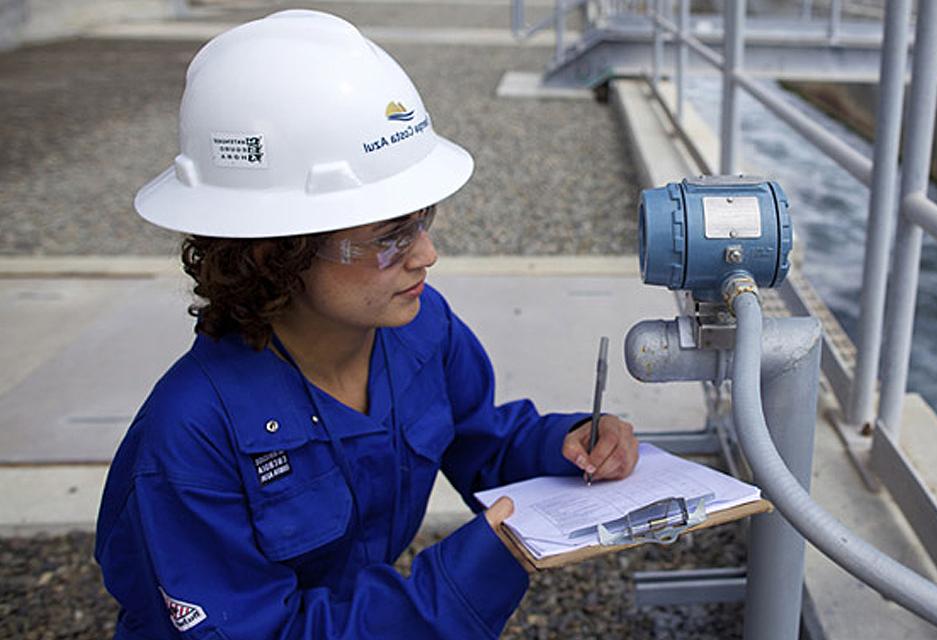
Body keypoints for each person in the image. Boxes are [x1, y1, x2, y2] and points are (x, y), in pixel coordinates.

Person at [94, 10, 640, 639]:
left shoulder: (418, 328)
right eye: (390, 238)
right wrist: (463, 583)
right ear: (276, 252)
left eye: (424, 220)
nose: (426, 254)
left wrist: (568, 445)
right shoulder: (191, 437)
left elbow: (480, 436)